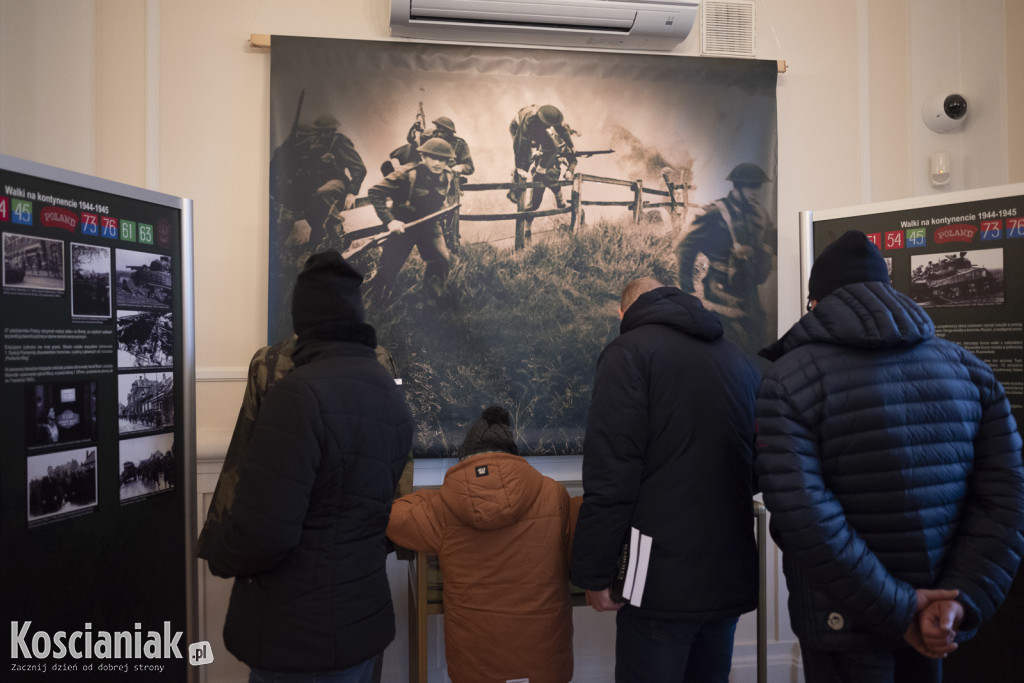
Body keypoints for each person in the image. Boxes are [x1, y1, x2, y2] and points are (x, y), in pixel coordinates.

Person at [754, 230, 1024, 682]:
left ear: (815, 302)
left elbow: (805, 516)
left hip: (843, 618)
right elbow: (1006, 499)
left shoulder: (788, 379)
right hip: (938, 613)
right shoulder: (971, 370)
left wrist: (899, 608)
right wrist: (957, 600)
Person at [201, 250, 415, 682]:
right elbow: (392, 489)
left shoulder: (294, 388)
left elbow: (262, 521)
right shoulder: (385, 385)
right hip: (362, 614)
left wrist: (218, 550)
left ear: (302, 316)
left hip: (299, 629)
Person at [571, 277, 761, 683]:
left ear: (624, 314)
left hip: (657, 580)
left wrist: (593, 573)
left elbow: (612, 473)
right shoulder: (737, 359)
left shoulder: (628, 354)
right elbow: (758, 466)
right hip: (728, 572)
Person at [386, 406, 577, 683]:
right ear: (512, 453)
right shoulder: (554, 495)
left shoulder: (442, 506)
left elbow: (392, 517)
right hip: (545, 664)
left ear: (466, 457)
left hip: (476, 668)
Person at [675, 162, 776, 357]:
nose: (756, 191)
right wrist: (687, 288)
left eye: (758, 186)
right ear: (737, 186)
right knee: (725, 341)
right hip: (719, 286)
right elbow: (685, 246)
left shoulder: (759, 215)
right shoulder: (716, 213)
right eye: (751, 186)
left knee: (757, 335)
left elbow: (771, 240)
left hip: (748, 287)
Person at [366, 137, 456, 298]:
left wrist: (443, 208)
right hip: (403, 225)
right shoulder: (406, 173)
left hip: (429, 225)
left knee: (441, 261)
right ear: (423, 157)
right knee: (388, 270)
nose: (438, 163)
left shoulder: (447, 176)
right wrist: (390, 221)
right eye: (433, 158)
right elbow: (374, 192)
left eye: (442, 160)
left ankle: (430, 302)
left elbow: (441, 198)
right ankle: (376, 300)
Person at [270, 113, 367, 250]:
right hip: (316, 188)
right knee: (311, 212)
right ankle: (322, 242)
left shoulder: (340, 142)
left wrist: (352, 192)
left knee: (322, 193)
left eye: (327, 132)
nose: (323, 135)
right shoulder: (313, 145)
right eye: (320, 132)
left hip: (338, 182)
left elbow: (359, 168)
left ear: (333, 130)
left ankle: (339, 232)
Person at [508, 104, 577, 250]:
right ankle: (515, 190)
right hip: (537, 170)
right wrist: (525, 164)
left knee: (548, 177)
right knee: (532, 195)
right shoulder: (528, 122)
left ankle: (559, 196)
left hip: (550, 174)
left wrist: (571, 150)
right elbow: (521, 146)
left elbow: (572, 156)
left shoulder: (557, 133)